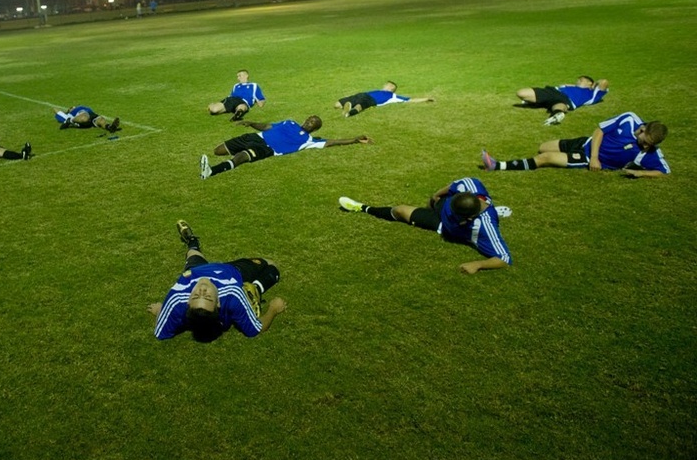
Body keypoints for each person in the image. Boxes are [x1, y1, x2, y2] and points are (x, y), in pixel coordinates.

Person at [338, 177, 512, 274]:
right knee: (398, 210)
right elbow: (451, 186)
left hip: (442, 225)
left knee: (401, 211)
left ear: (471, 217)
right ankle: (363, 208)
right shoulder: (470, 185)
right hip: (440, 206)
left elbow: (504, 259)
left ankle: (360, 208)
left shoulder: (484, 227)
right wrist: (435, 196)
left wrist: (478, 264)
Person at [148, 220, 286, 342]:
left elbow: (160, 333)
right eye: (207, 297)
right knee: (272, 266)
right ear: (218, 301)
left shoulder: (177, 298)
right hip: (232, 271)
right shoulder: (232, 294)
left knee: (192, 253)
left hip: (195, 270)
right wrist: (273, 309)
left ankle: (191, 241)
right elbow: (257, 329)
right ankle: (255, 288)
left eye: (196, 295)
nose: (202, 289)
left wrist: (161, 311)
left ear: (188, 301)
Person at [481, 111, 669, 177]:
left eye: (649, 145)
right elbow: (599, 131)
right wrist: (595, 154)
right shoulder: (629, 118)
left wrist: (641, 172)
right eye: (645, 142)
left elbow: (664, 172)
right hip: (586, 143)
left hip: (586, 157)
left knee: (544, 158)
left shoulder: (650, 151)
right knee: (543, 146)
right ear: (643, 129)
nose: (645, 147)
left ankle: (498, 166)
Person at [200, 115, 372, 179]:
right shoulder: (289, 122)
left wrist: (355, 139)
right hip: (254, 137)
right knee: (218, 150)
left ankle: (211, 171)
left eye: (313, 123)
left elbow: (333, 142)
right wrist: (252, 123)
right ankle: (212, 168)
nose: (309, 122)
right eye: (309, 119)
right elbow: (268, 126)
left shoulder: (310, 140)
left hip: (266, 149)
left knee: (241, 158)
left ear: (315, 128)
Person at [515, 75, 609, 125]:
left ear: (589, 83)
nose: (578, 81)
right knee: (521, 93)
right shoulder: (568, 86)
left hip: (568, 100)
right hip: (553, 91)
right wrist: (571, 85)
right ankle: (538, 103)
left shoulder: (594, 93)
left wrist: (594, 85)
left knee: (560, 103)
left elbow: (604, 81)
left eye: (581, 80)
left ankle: (557, 113)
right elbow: (561, 85)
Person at [334, 81, 434, 117]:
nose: (384, 85)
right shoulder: (377, 90)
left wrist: (425, 99)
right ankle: (346, 107)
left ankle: (348, 113)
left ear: (391, 88)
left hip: (370, 100)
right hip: (361, 94)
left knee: (360, 105)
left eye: (387, 85)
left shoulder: (393, 96)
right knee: (336, 105)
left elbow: (410, 100)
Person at [53, 106, 121, 133]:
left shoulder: (81, 107)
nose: (72, 107)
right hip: (82, 117)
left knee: (101, 120)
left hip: (92, 115)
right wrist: (67, 113)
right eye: (70, 107)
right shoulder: (68, 115)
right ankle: (70, 121)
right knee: (84, 117)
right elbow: (55, 109)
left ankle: (110, 127)